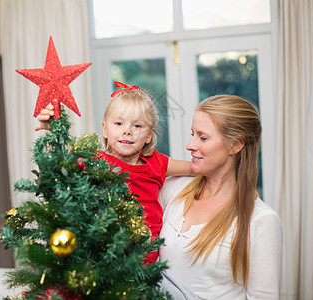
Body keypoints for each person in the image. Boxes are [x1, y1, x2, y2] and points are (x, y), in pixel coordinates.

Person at [35, 81, 193, 263]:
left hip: (146, 259)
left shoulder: (157, 162)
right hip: (107, 257)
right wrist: (54, 130)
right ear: (105, 129)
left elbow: (195, 168)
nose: (127, 131)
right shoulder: (96, 161)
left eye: (137, 126)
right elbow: (62, 164)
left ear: (149, 135)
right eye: (119, 123)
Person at [158, 95, 282, 299]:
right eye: (192, 134)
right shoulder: (174, 189)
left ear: (235, 145)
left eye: (203, 137)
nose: (190, 145)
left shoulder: (261, 220)